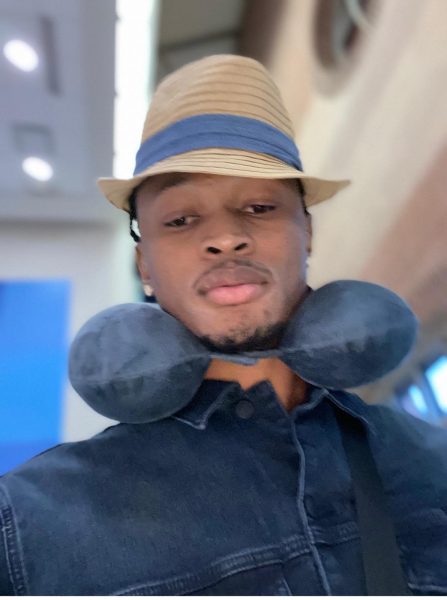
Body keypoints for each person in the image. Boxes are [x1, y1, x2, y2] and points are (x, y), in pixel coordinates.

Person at [1, 54, 446, 596]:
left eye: (259, 207)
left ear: (308, 232)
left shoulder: (431, 462)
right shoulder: (30, 526)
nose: (226, 238)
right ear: (145, 266)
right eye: (181, 219)